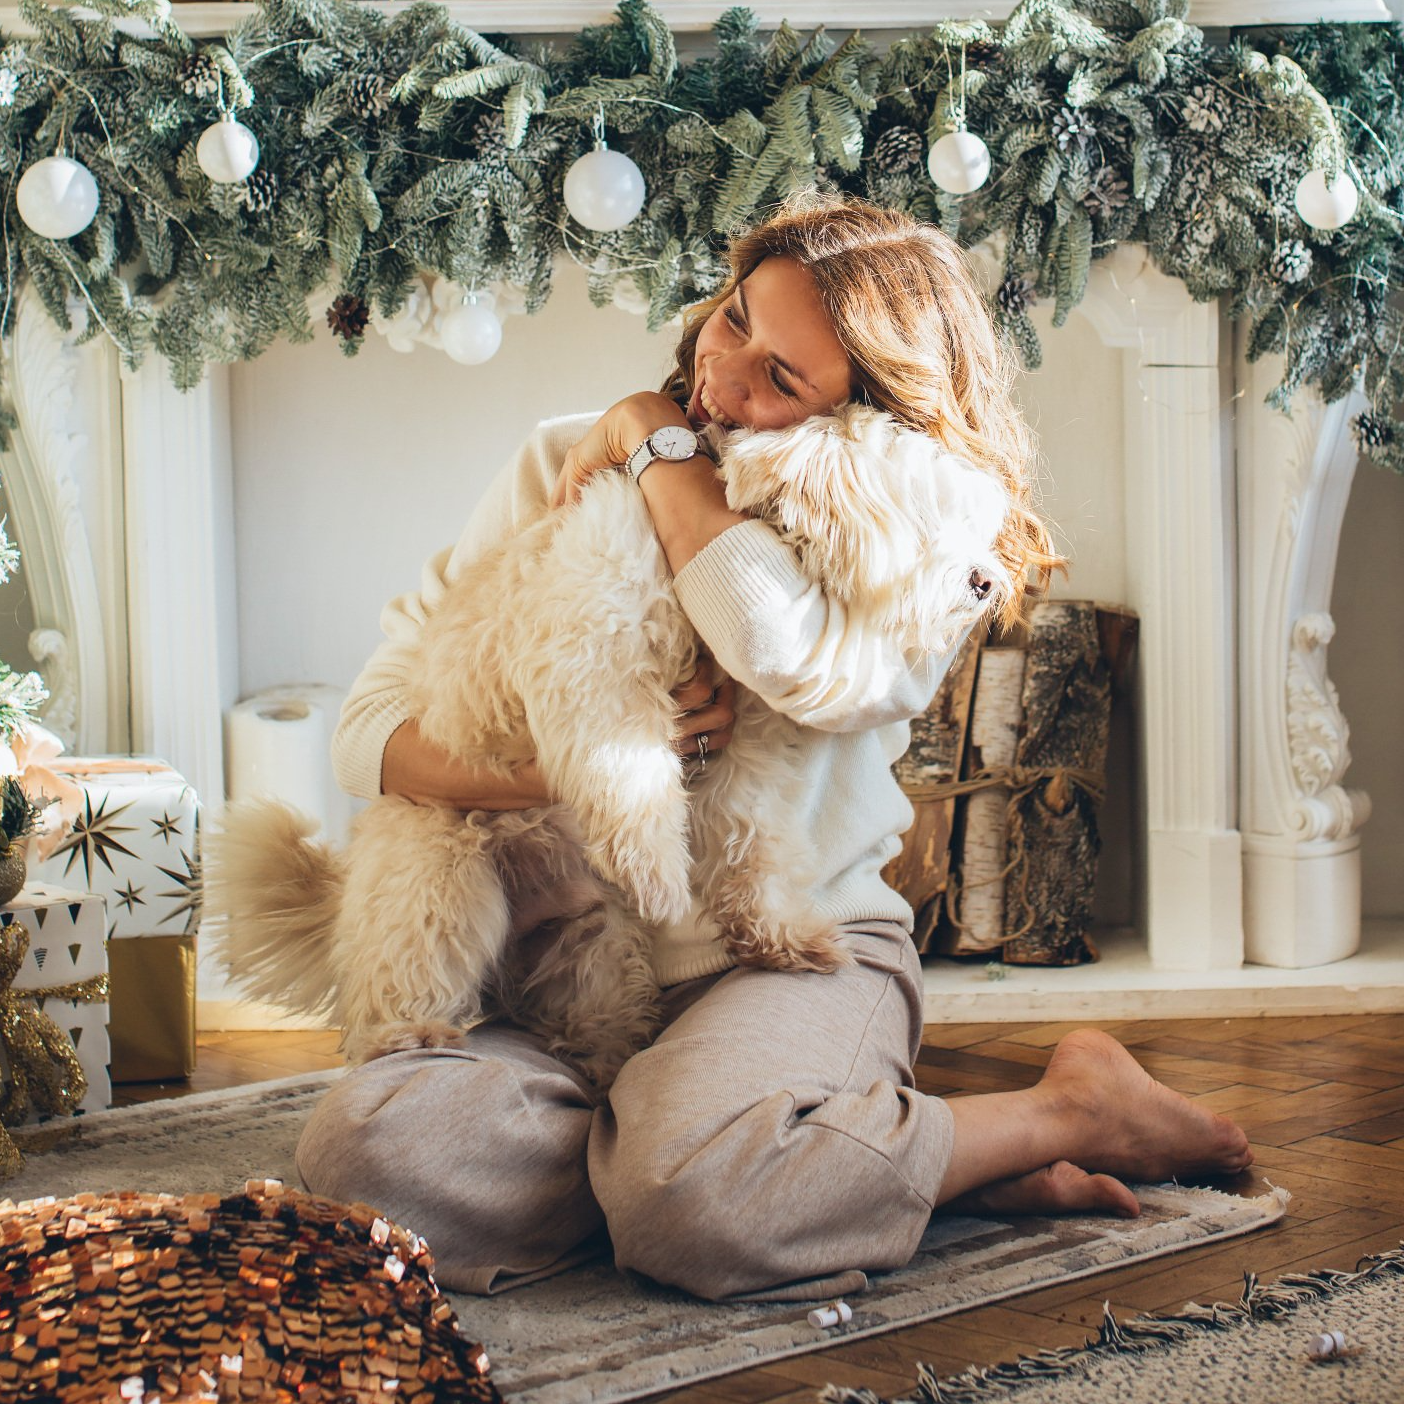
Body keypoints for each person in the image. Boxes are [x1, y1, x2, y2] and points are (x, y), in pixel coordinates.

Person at [294, 193, 1252, 1302]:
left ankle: (1058, 1110)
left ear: (876, 415)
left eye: (783, 379)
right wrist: (546, 770)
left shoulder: (905, 535)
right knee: (366, 1158)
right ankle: (832, 1158)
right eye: (737, 315)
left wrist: (659, 451)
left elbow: (786, 654)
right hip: (568, 981)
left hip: (795, 954)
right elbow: (367, 732)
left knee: (687, 1197)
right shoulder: (560, 461)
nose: (723, 376)